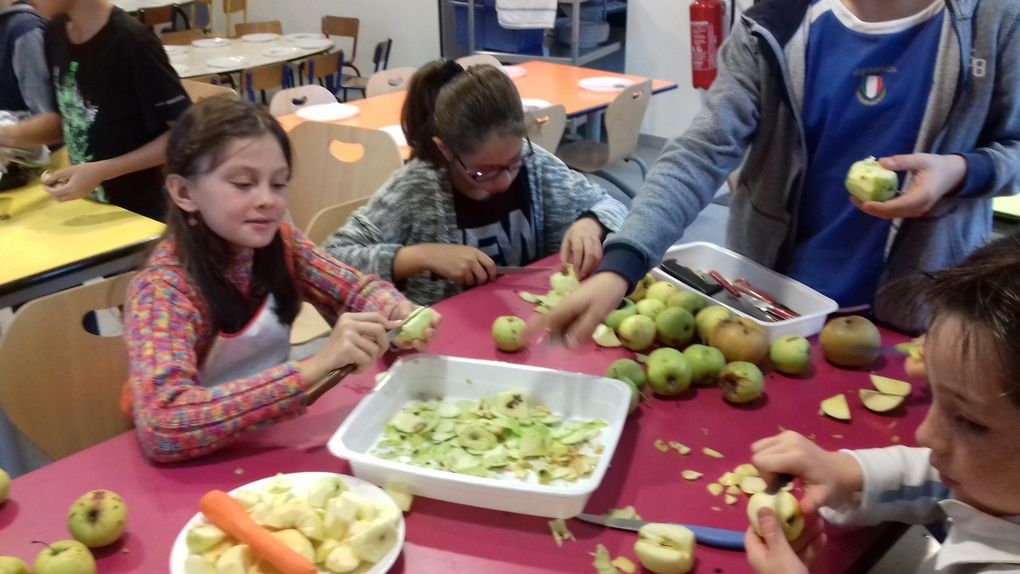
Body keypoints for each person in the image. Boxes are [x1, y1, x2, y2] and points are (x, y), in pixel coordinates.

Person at [535, 0, 1020, 345]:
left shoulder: (994, 22)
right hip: (776, 310)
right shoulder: (775, 24)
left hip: (918, 315)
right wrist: (623, 263)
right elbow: (700, 152)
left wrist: (961, 171)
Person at [123, 97, 434, 463]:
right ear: (184, 193)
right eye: (243, 184)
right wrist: (311, 369)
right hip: (193, 467)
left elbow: (353, 289)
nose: (267, 201)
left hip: (268, 443)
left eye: (279, 184)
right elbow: (165, 424)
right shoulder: (163, 289)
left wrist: (400, 311)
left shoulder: (281, 243)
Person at [745, 234, 1020, 573]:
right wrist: (846, 473)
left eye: (968, 421)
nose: (925, 435)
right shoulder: (997, 488)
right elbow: (933, 478)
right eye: (935, 395)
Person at [322, 59, 628, 305]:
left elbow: (611, 204)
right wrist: (420, 256)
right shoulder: (417, 188)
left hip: (534, 324)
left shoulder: (537, 166)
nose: (506, 179)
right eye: (485, 172)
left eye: (513, 162)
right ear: (445, 150)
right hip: (448, 344)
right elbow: (331, 259)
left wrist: (590, 223)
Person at [0, 0, 191, 220]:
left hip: (140, 215)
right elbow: (60, 123)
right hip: (89, 207)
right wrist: (8, 140)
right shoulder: (56, 32)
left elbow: (185, 136)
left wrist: (101, 171)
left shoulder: (132, 41)